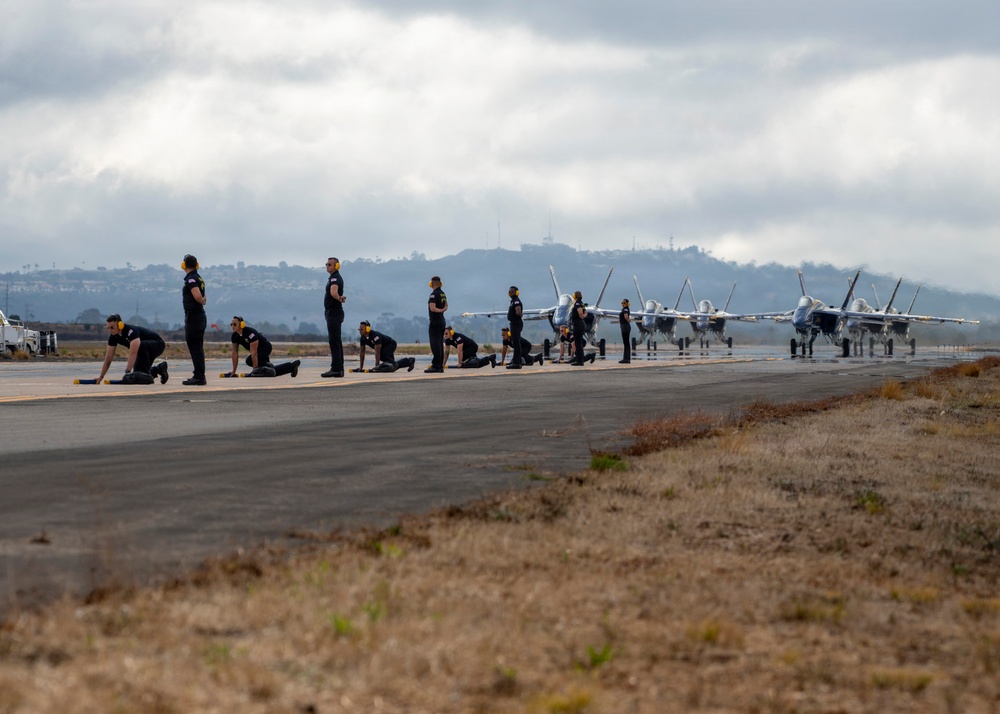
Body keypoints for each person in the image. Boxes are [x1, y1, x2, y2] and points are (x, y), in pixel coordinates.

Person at [97, 314, 169, 385]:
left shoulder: (131, 331)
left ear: (120, 324)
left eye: (112, 327)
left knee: (140, 346)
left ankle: (148, 374)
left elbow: (133, 352)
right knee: (137, 375)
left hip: (157, 345)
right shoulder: (113, 336)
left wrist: (127, 372)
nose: (110, 330)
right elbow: (109, 357)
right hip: (143, 351)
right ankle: (159, 368)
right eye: (108, 328)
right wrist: (101, 376)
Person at [226, 316, 300, 378]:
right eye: (231, 324)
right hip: (257, 351)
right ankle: (291, 366)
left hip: (265, 347)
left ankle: (276, 367)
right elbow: (234, 353)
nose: (232, 326)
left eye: (235, 324)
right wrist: (233, 372)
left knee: (250, 361)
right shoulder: (235, 335)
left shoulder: (250, 333)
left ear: (242, 324)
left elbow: (254, 353)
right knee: (268, 372)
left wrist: (254, 370)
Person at [181, 254, 207, 385]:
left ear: (184, 265)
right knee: (198, 347)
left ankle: (199, 376)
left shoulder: (191, 279)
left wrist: (200, 300)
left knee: (195, 347)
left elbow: (198, 297)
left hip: (194, 317)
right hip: (199, 316)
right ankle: (199, 375)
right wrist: (203, 300)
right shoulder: (199, 278)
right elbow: (203, 297)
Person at [322, 256, 347, 378]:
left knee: (334, 342)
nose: (327, 266)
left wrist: (339, 298)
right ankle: (339, 369)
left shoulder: (335, 279)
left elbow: (333, 292)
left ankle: (336, 368)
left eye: (330, 264)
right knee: (336, 341)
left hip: (334, 313)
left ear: (336, 266)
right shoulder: (333, 278)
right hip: (333, 313)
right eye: (326, 264)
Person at [425, 275, 447, 373]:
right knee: (440, 344)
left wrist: (439, 310)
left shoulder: (433, 294)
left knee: (435, 344)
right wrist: (442, 310)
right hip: (442, 321)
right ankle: (440, 366)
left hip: (435, 322)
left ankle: (436, 365)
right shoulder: (443, 294)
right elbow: (446, 305)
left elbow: (432, 308)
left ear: (432, 283)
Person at [505, 285, 524, 369]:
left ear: (516, 292)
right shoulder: (513, 301)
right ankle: (517, 361)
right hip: (514, 323)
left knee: (516, 344)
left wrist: (520, 314)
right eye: (510, 291)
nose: (511, 293)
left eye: (512, 291)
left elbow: (518, 311)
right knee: (516, 343)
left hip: (516, 323)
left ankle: (516, 363)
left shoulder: (516, 301)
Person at [569, 290, 588, 366]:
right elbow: (585, 312)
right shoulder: (581, 303)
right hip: (581, 324)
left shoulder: (577, 303)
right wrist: (583, 316)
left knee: (578, 343)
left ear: (575, 296)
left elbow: (580, 311)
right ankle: (580, 360)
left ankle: (579, 361)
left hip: (577, 324)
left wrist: (580, 316)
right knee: (579, 343)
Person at [619, 298, 632, 364]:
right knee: (626, 343)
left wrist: (628, 320)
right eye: (622, 303)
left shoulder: (625, 309)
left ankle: (626, 359)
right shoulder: (625, 309)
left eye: (624, 303)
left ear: (627, 303)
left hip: (625, 326)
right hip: (625, 326)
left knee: (626, 343)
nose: (623, 304)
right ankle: (626, 358)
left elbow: (626, 317)